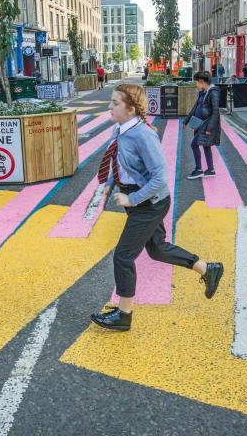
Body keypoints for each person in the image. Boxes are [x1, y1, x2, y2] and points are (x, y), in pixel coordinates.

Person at [90, 83, 224, 331]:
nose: (110, 106)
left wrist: (132, 199)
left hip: (148, 203)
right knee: (157, 249)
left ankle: (124, 314)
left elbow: (160, 178)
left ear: (130, 108)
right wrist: (109, 185)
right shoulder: (120, 130)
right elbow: (117, 160)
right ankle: (208, 269)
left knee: (123, 256)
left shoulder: (143, 135)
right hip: (139, 200)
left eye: (115, 103)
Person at [184, 71, 221, 180]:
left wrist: (210, 128)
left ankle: (199, 169)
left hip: (206, 123)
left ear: (201, 81)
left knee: (194, 144)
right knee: (206, 145)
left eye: (196, 82)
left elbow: (215, 112)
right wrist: (186, 120)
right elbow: (195, 107)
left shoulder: (213, 92)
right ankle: (210, 170)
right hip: (199, 123)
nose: (195, 84)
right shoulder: (203, 92)